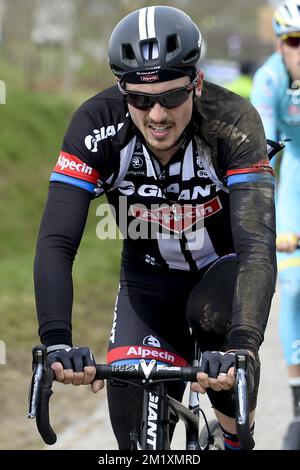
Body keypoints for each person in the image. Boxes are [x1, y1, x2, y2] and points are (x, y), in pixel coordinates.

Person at [34, 6, 277, 450]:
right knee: (136, 448)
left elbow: (258, 248)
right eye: (142, 100)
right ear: (123, 90)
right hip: (148, 284)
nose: (157, 114)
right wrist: (56, 341)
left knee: (215, 319)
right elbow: (56, 242)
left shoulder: (233, 123)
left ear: (196, 84)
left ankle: (232, 440)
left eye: (172, 96)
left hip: (221, 275)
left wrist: (243, 345)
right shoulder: (96, 126)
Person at [251, 0, 300, 450]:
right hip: (289, 179)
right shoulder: (269, 80)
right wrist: (269, 226)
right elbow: (260, 163)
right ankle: (298, 398)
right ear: (281, 44)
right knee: (296, 286)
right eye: (295, 42)